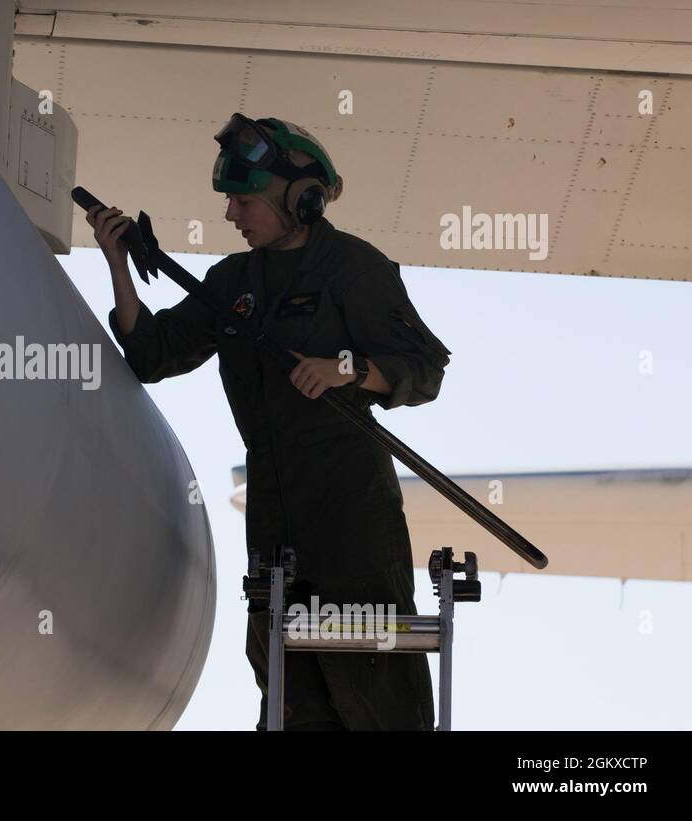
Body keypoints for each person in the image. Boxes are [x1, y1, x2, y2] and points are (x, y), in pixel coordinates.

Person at [88, 114, 452, 730]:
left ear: (300, 199)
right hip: (274, 526)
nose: (232, 213)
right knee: (288, 698)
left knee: (376, 690)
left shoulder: (353, 269)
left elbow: (425, 369)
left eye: (245, 199)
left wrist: (347, 367)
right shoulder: (232, 282)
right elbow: (153, 354)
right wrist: (119, 264)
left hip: (352, 519)